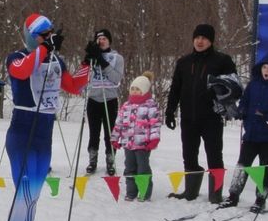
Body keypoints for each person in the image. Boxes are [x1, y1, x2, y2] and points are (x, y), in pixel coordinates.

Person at [3, 13, 90, 221]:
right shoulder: (16, 57)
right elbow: (24, 70)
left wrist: (89, 62)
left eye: (51, 34)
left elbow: (73, 86)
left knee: (36, 191)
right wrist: (43, 48)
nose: (49, 38)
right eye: (43, 34)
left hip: (44, 131)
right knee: (25, 189)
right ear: (31, 36)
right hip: (23, 130)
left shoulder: (54, 60)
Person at [217, 50, 268, 213]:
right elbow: (244, 103)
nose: (266, 71)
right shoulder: (253, 85)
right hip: (251, 133)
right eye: (264, 67)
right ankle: (233, 196)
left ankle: (260, 199)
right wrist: (242, 111)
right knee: (242, 165)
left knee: (265, 168)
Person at [165, 23, 237, 202]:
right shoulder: (184, 62)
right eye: (197, 37)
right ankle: (191, 191)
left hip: (211, 117)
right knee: (188, 154)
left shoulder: (222, 60)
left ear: (211, 41)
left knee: (214, 154)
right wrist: (170, 110)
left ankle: (215, 194)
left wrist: (224, 102)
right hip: (189, 117)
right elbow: (175, 88)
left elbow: (234, 87)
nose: (200, 41)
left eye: (204, 38)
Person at [111, 72, 160, 201]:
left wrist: (154, 139)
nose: (134, 91)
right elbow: (119, 123)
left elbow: (155, 124)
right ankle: (131, 192)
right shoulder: (126, 105)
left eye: (137, 89)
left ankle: (144, 192)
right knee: (129, 168)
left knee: (143, 168)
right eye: (132, 88)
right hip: (128, 144)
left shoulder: (150, 105)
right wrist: (115, 138)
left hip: (143, 144)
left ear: (144, 90)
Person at [81, 28, 124, 175]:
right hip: (94, 99)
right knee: (94, 132)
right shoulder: (93, 56)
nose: (101, 41)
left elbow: (116, 78)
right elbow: (83, 74)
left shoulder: (117, 58)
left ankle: (110, 160)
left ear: (109, 41)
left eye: (104, 38)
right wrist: (88, 59)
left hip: (110, 99)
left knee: (110, 133)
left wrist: (102, 62)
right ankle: (92, 160)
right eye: (99, 38)